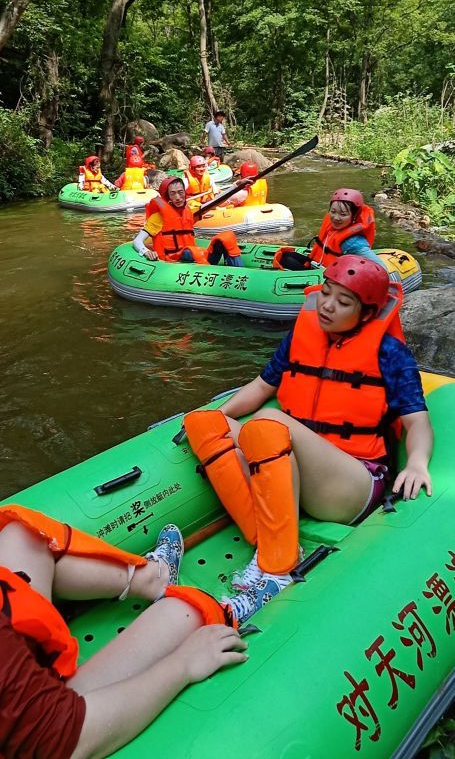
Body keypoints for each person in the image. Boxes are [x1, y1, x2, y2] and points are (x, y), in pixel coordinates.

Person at [183, 256, 433, 624]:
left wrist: (416, 463)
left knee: (268, 422)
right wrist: (220, 418)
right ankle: (268, 538)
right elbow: (260, 387)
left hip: (352, 481)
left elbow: (418, 422)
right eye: (326, 294)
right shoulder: (302, 335)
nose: (328, 306)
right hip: (288, 460)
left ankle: (278, 566)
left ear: (366, 313)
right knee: (204, 424)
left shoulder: (389, 353)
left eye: (343, 302)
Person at [0, 504, 247, 759]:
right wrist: (182, 665)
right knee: (186, 613)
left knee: (22, 536)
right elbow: (62, 739)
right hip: (40, 727)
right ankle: (226, 615)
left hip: (16, 666)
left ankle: (154, 579)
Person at [132, 176, 244, 266]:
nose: (178, 197)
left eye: (180, 192)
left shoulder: (189, 212)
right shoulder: (158, 217)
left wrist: (235, 187)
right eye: (173, 193)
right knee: (189, 252)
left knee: (226, 238)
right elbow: (137, 241)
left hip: (193, 257)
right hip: (173, 260)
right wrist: (146, 252)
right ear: (168, 196)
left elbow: (214, 203)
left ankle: (238, 273)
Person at [273, 187, 385, 271]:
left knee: (287, 260)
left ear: (354, 217)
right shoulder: (332, 227)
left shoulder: (353, 242)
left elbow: (380, 267)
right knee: (286, 256)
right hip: (320, 265)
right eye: (333, 212)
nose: (336, 218)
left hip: (332, 277)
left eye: (343, 214)